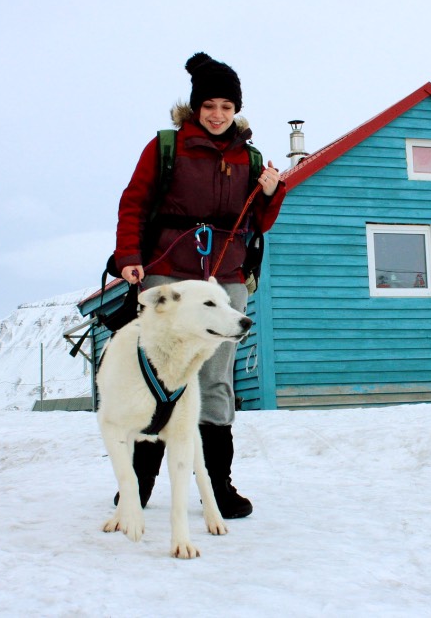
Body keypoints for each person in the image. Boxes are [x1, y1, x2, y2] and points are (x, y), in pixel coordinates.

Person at [113, 52, 286, 518]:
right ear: (195, 107)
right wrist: (130, 258)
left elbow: (259, 223)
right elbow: (134, 202)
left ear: (236, 110)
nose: (217, 115)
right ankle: (141, 482)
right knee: (157, 375)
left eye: (226, 106)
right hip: (168, 272)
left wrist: (271, 192)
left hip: (225, 277)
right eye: (209, 105)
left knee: (214, 380)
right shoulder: (166, 146)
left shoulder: (248, 156)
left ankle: (218, 486)